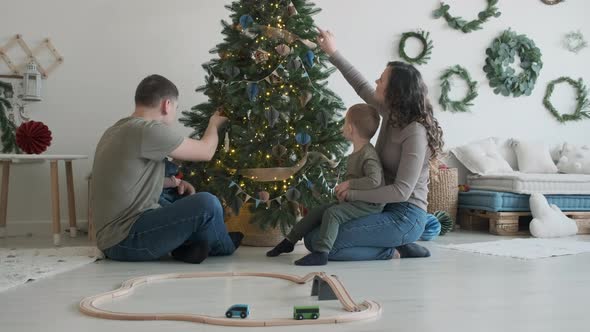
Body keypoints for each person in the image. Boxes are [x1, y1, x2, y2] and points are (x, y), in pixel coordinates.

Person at [298, 28, 445, 261]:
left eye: (382, 79)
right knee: (313, 236)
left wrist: (353, 193)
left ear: (395, 91)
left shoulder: (414, 133)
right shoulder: (390, 111)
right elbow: (361, 85)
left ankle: (395, 249)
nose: (376, 81)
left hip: (405, 215)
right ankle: (396, 243)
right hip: (380, 206)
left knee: (321, 244)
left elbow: (401, 191)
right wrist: (333, 52)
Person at [91, 74, 243, 264]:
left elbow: (129, 183)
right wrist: (214, 123)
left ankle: (187, 246)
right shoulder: (148, 130)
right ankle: (223, 245)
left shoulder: (117, 129)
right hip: (126, 241)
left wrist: (174, 182)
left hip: (112, 237)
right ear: (167, 105)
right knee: (207, 203)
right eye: (176, 108)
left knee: (173, 195)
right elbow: (206, 151)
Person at [267, 104, 385, 265]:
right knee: (318, 211)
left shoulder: (368, 155)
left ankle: (322, 252)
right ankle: (289, 241)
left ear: (350, 128)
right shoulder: (358, 151)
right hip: (355, 199)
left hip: (369, 204)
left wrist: (349, 184)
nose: (342, 126)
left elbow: (374, 181)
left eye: (344, 122)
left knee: (333, 213)